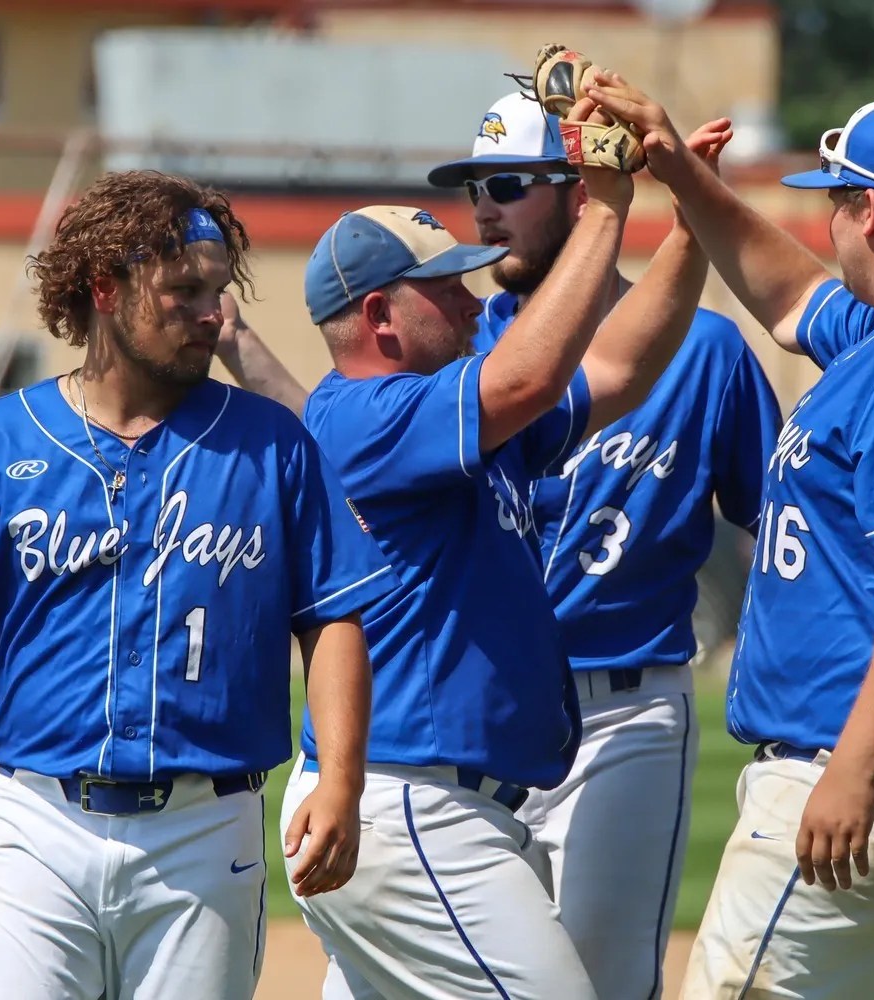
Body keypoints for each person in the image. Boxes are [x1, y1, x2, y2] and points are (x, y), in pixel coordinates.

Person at [0, 170, 394, 999]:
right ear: (104, 289)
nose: (211, 313)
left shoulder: (272, 444)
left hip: (207, 831)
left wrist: (343, 782)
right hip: (37, 824)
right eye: (183, 290)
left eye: (217, 291)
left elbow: (334, 621)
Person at [585, 76, 874, 998]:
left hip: (873, 778)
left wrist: (855, 767)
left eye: (833, 203)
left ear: (869, 209)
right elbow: (790, 299)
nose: (826, 224)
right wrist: (681, 171)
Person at [279, 90, 723, 999]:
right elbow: (526, 374)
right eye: (446, 285)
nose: (472, 294)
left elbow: (619, 366)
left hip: (438, 805)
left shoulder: (451, 421)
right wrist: (605, 205)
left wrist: (694, 221)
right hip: (412, 806)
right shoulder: (365, 417)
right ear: (381, 319)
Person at [421, 89, 783, 998]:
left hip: (625, 710)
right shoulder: (465, 353)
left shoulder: (706, 354)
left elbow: (778, 528)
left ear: (585, 195)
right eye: (477, 187)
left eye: (511, 182)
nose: (486, 207)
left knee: (603, 983)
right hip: (479, 709)